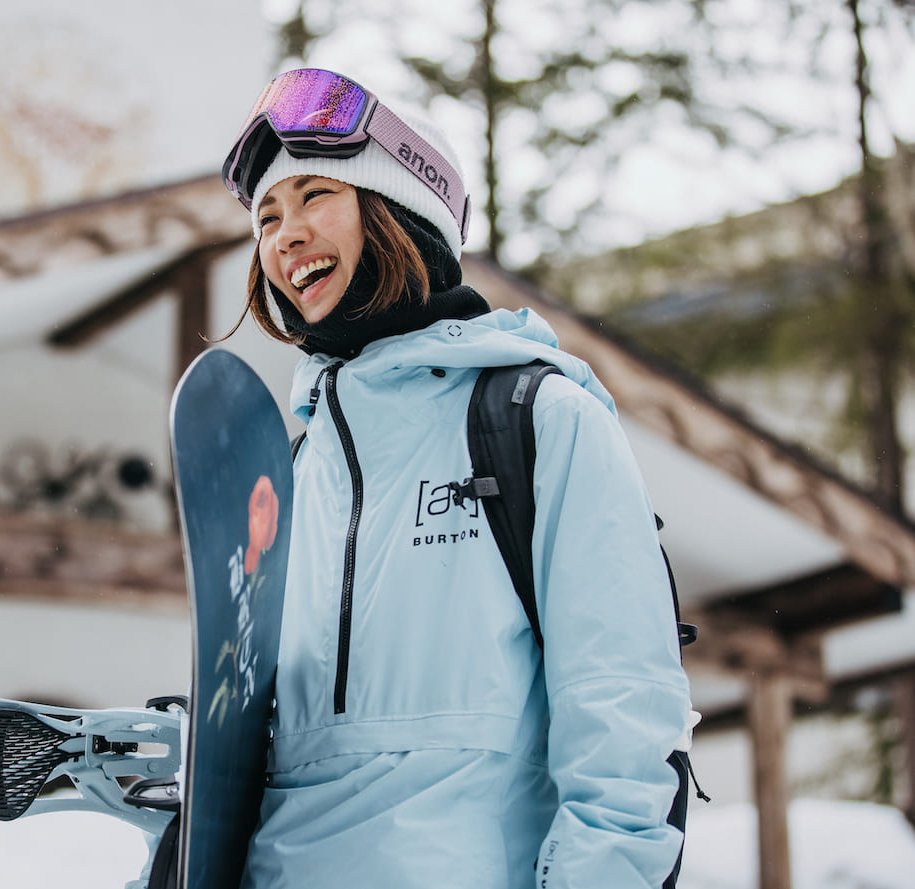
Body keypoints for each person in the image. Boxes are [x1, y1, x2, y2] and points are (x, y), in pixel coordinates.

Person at [218, 67, 694, 889]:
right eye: (266, 217)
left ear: (402, 210)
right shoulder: (296, 468)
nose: (284, 234)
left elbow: (623, 722)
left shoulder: (537, 421)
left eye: (313, 196)